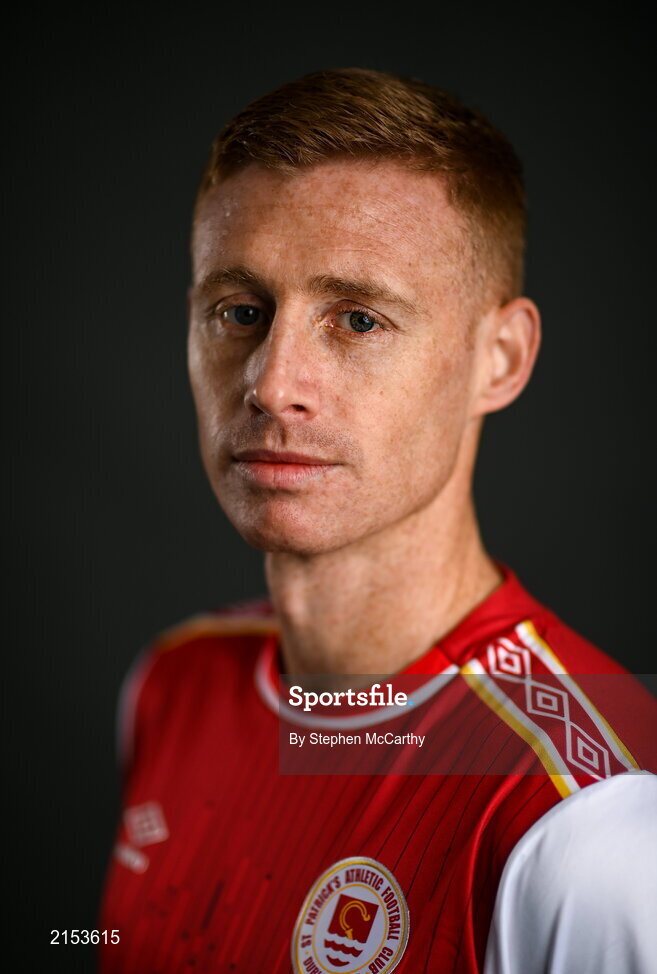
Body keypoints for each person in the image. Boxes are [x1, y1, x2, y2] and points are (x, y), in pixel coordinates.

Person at [99, 69, 657, 973]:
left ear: (500, 359)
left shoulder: (596, 826)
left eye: (357, 319)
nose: (272, 383)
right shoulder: (172, 682)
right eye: (238, 313)